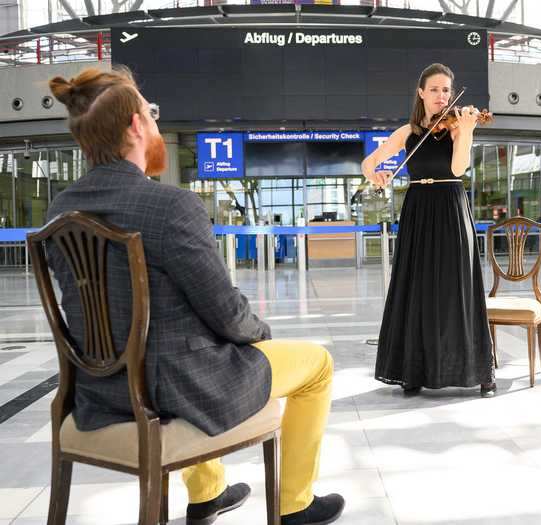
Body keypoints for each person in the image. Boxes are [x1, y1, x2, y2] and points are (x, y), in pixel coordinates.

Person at [45, 67, 345, 525]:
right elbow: (225, 312)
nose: (155, 122)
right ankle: (295, 505)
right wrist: (258, 333)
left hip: (99, 394)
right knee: (316, 366)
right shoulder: (171, 206)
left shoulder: (60, 210)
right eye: (150, 113)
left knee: (177, 343)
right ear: (134, 126)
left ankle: (208, 493)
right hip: (177, 391)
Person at [361, 63, 496, 397]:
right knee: (417, 287)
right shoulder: (408, 132)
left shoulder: (457, 126)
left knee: (457, 287)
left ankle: (479, 370)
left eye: (446, 90)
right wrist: (374, 174)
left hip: (450, 205)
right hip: (418, 209)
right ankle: (414, 370)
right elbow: (369, 162)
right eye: (434, 89)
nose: (441, 96)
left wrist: (466, 130)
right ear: (421, 93)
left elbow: (458, 167)